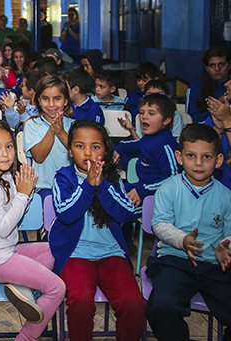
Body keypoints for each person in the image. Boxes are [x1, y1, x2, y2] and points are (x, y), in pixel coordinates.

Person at [50, 120, 146, 340]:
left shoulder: (113, 178)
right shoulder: (63, 178)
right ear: (70, 150)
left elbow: (126, 213)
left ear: (105, 150)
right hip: (74, 254)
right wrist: (87, 186)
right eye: (80, 146)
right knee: (81, 301)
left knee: (133, 303)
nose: (88, 153)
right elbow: (66, 214)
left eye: (95, 146)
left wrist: (101, 185)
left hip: (111, 254)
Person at [0, 119, 66, 340]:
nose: (5, 154)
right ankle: (26, 337)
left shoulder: (3, 175)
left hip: (7, 251)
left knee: (57, 248)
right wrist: (23, 194)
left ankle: (21, 288)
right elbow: (4, 228)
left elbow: (17, 213)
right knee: (56, 288)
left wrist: (27, 190)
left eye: (9, 146)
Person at [145, 123, 231, 340]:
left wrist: (226, 246)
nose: (199, 163)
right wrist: (182, 240)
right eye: (191, 156)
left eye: (207, 157)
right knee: (162, 306)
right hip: (175, 261)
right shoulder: (168, 189)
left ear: (218, 160)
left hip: (215, 264)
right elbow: (161, 224)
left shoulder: (226, 196)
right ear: (179, 157)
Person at [114, 93, 180, 208]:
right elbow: (136, 144)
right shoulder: (150, 138)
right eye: (142, 112)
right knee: (109, 190)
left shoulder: (165, 144)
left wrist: (142, 191)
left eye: (151, 113)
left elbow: (173, 178)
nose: (144, 117)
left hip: (158, 198)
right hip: (143, 188)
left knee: (119, 208)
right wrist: (119, 149)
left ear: (166, 120)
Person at [23, 75, 75, 200]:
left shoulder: (74, 125)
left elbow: (77, 154)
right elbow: (39, 157)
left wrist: (61, 132)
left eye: (57, 99)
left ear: (66, 101)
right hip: (43, 188)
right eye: (46, 99)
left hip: (70, 186)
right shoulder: (32, 124)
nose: (51, 105)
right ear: (39, 101)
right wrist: (52, 130)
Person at [119, 80, 184, 140]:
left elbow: (175, 140)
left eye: (152, 113)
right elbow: (139, 142)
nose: (154, 99)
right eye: (150, 95)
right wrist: (132, 129)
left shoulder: (175, 116)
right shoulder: (143, 115)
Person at [188, 47, 231, 123]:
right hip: (205, 131)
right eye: (212, 65)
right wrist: (217, 106)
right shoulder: (196, 86)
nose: (217, 69)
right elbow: (191, 119)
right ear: (206, 68)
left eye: (221, 64)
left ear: (229, 65)